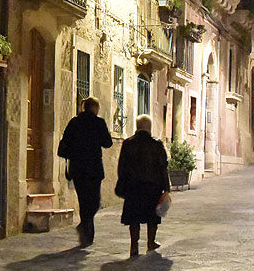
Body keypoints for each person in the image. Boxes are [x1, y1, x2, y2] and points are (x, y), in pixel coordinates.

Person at [57, 96, 113, 247]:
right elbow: (108, 143)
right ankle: (86, 230)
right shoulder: (99, 123)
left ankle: (86, 230)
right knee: (94, 201)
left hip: (78, 168)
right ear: (95, 108)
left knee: (84, 200)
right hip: (93, 168)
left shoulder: (74, 122)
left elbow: (64, 144)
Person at [114, 114, 171, 257]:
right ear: (149, 128)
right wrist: (166, 188)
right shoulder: (157, 144)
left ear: (137, 127)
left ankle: (134, 245)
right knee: (153, 216)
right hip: (153, 187)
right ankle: (151, 242)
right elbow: (163, 167)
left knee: (134, 217)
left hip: (133, 186)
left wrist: (123, 183)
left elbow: (122, 166)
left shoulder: (128, 143)